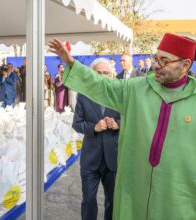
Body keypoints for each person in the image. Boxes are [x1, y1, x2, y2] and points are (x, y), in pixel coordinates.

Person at [49, 34, 196, 220]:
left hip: (181, 200)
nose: (156, 65)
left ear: (185, 65)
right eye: (156, 58)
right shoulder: (135, 89)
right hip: (136, 197)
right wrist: (71, 62)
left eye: (165, 60)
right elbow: (102, 85)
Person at [73, 58, 120, 220]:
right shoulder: (83, 96)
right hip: (90, 159)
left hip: (112, 159)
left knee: (112, 201)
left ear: (111, 74)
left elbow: (131, 120)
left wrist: (118, 124)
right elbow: (76, 124)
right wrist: (93, 127)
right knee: (88, 200)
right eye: (98, 73)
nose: (102, 76)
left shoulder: (119, 95)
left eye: (105, 73)